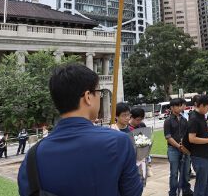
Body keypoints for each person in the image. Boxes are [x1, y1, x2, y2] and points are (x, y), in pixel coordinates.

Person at [18, 64, 142, 196]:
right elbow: (133, 192)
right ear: (88, 97)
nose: (100, 98)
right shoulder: (118, 142)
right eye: (99, 92)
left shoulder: (32, 157)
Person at [183, 94, 208, 196]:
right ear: (202, 105)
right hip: (199, 155)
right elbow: (192, 139)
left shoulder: (201, 115)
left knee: (207, 183)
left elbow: (203, 126)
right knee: (201, 184)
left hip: (207, 153)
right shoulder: (193, 118)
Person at [164, 98, 193, 196]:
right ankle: (173, 193)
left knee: (185, 172)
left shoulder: (184, 119)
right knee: (174, 173)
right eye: (177, 105)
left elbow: (187, 135)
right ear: (172, 107)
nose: (180, 107)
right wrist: (178, 146)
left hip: (184, 149)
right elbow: (168, 137)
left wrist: (185, 147)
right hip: (173, 150)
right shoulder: (168, 121)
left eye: (181, 105)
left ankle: (186, 190)